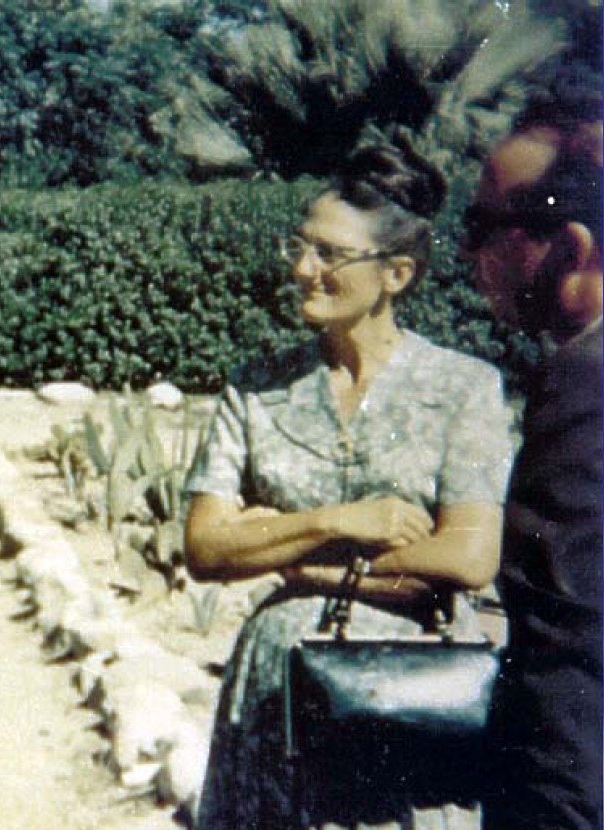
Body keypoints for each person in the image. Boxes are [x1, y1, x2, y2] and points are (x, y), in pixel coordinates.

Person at [182, 143, 515, 829]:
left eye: (329, 254)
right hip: (273, 698)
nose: (303, 269)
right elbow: (206, 548)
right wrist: (337, 521)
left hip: (407, 694)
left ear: (396, 273)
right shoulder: (256, 389)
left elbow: (468, 556)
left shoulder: (463, 388)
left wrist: (300, 562)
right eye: (300, 247)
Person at [464, 79, 603, 830]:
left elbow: (570, 650)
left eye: (486, 225)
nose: (469, 251)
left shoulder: (586, 382)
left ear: (574, 251)